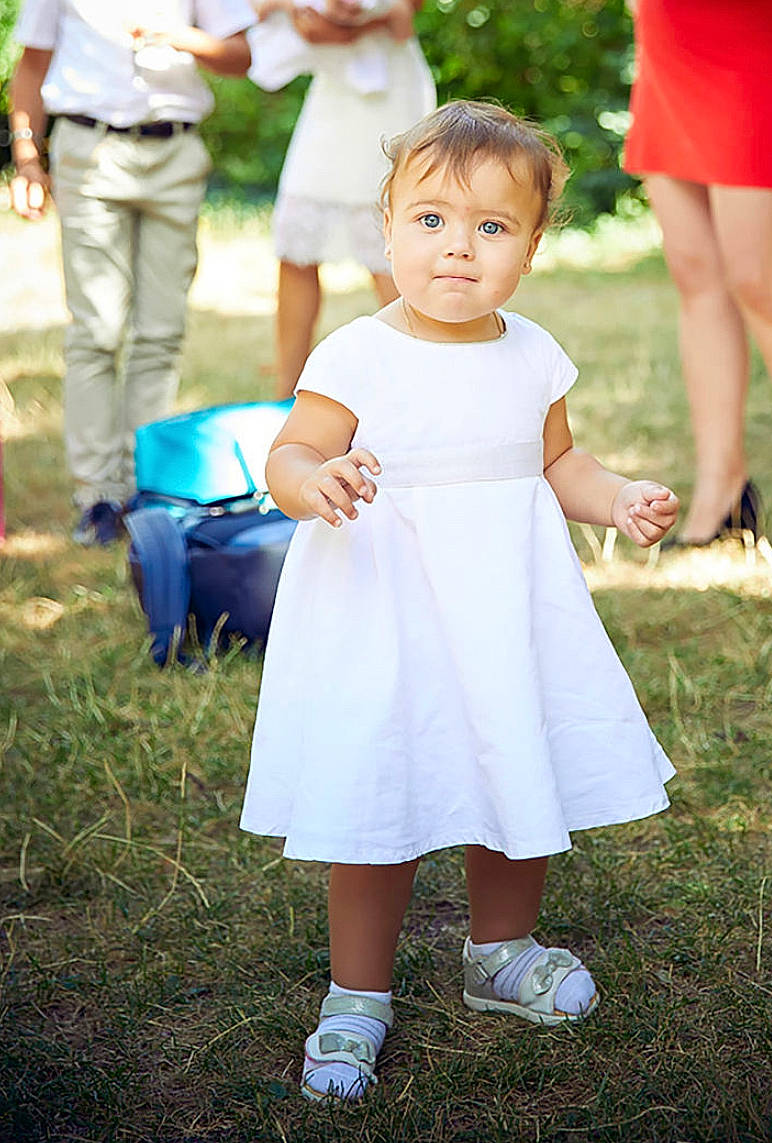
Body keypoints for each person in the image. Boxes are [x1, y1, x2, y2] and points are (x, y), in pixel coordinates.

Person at [240, 100, 679, 1102]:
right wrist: (309, 482)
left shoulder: (530, 353)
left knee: (507, 767)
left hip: (503, 611)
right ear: (386, 228)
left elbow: (556, 460)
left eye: (490, 227)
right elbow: (290, 453)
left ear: (529, 247)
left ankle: (500, 952)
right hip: (382, 613)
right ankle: (356, 994)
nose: (455, 248)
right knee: (376, 793)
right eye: (430, 220)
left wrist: (613, 499)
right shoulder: (358, 351)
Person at [623, 0, 772, 569]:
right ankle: (722, 484)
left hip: (748, 38)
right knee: (694, 271)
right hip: (666, 41)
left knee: (759, 276)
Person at [8, 1, 255, 546]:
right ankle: (98, 494)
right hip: (89, 148)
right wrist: (28, 160)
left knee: (162, 332)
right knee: (95, 331)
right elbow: (31, 64)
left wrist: (180, 36)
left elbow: (242, 55)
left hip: (175, 150)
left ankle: (148, 487)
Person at [249, 0, 435, 398]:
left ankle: (426, 378)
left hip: (389, 92)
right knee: (298, 243)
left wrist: (365, 18)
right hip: (334, 94)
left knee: (391, 239)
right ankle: (287, 390)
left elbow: (407, 10)